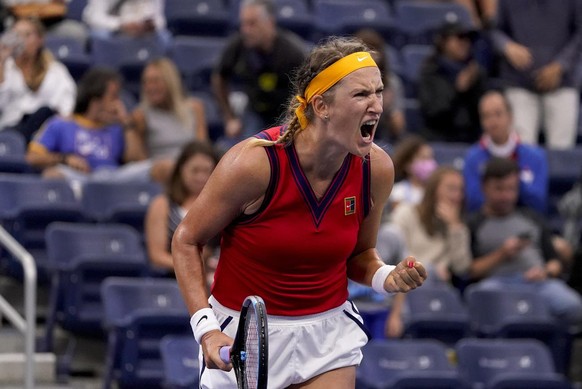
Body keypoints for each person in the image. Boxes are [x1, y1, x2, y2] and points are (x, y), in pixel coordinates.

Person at [172, 36, 427, 388]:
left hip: (327, 337)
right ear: (321, 106)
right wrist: (207, 330)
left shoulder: (376, 169)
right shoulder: (254, 163)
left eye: (378, 91)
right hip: (243, 336)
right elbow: (186, 239)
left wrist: (386, 277)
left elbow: (360, 255)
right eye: (361, 95)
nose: (377, 105)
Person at [466, 157, 582, 326]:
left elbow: (554, 262)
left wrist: (545, 273)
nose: (506, 195)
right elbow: (470, 271)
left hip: (538, 284)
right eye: (499, 189)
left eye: (511, 189)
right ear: (484, 188)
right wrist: (502, 254)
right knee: (477, 295)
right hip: (498, 284)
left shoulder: (532, 218)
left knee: (574, 306)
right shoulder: (473, 223)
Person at [25, 67, 148, 190]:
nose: (118, 103)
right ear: (96, 100)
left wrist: (126, 122)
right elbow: (32, 157)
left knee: (156, 169)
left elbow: (138, 162)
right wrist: (65, 159)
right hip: (78, 179)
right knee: (53, 174)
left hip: (113, 179)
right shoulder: (61, 123)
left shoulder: (119, 128)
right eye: (114, 96)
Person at [386, 166, 472, 338]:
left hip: (437, 289)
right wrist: (429, 267)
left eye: (460, 190)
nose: (457, 196)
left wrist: (455, 228)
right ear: (433, 189)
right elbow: (395, 255)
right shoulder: (406, 213)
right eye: (451, 189)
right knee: (430, 272)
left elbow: (462, 267)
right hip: (404, 285)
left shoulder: (457, 225)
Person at [211, 0, 307, 150]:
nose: (246, 30)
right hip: (253, 110)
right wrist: (229, 118)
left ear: (270, 23)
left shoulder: (292, 52)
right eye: (243, 24)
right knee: (245, 149)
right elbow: (219, 78)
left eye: (252, 24)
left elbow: (307, 87)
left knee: (285, 148)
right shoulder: (238, 46)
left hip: (285, 111)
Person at [490, 0, 582, 149]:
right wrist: (507, 46)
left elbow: (579, 33)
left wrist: (560, 65)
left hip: (562, 83)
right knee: (522, 150)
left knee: (562, 150)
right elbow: (495, 30)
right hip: (519, 82)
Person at [145, 140, 220, 284]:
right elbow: (157, 256)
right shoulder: (162, 205)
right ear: (181, 170)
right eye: (195, 170)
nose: (201, 177)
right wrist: (193, 269)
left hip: (217, 277)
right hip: (175, 279)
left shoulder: (223, 205)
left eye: (206, 171)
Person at [463, 90, 548, 214]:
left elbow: (538, 201)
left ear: (510, 116)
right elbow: (474, 201)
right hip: (485, 222)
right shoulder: (473, 157)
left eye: (498, 114)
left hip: (526, 221)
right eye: (486, 116)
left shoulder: (535, 156)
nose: (493, 121)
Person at [127, 58, 209, 184]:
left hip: (194, 169)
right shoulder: (141, 115)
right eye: (146, 82)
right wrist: (129, 127)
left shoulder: (195, 108)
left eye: (155, 81)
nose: (150, 87)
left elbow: (202, 148)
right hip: (162, 175)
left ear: (170, 82)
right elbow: (137, 160)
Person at [0, 17, 75, 141]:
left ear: (40, 39)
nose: (21, 40)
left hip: (44, 130)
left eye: (27, 35)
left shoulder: (55, 70)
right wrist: (1, 62)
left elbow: (66, 107)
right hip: (11, 128)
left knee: (45, 112)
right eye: (16, 35)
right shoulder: (5, 67)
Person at [418, 19, 487, 143]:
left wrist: (473, 88)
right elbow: (433, 114)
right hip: (439, 139)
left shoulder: (475, 73)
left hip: (470, 139)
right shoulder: (431, 72)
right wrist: (458, 90)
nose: (465, 43)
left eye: (468, 38)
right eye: (460, 37)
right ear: (443, 42)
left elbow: (481, 116)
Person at [354, 28, 406, 143]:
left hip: (381, 136)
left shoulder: (391, 82)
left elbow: (398, 127)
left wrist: (386, 108)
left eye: (375, 52)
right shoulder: (348, 81)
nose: (372, 57)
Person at [82, 0, 170, 47]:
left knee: (164, 37)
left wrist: (148, 26)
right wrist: (121, 25)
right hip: (115, 29)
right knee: (99, 35)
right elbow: (94, 17)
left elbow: (160, 19)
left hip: (142, 31)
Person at [388, 134, 437, 211]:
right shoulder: (398, 192)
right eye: (423, 158)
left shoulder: (437, 192)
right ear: (407, 164)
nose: (429, 163)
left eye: (430, 157)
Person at [1, 0, 88, 43]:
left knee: (77, 32)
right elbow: (12, 5)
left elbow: (62, 6)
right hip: (19, 22)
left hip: (51, 23)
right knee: (17, 34)